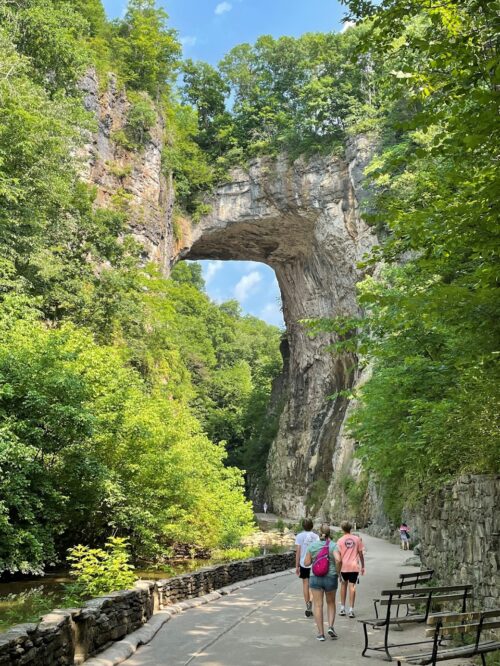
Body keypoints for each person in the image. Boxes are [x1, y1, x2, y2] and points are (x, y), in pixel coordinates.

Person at [304, 523, 341, 641]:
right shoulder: (333, 546)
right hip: (330, 578)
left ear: (319, 533)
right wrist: (338, 572)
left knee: (318, 605)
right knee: (331, 603)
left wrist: (315, 559)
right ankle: (330, 626)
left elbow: (306, 563)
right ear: (330, 533)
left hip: (315, 578)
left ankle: (321, 633)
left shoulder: (312, 546)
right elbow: (339, 559)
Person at [337, 520, 365, 619]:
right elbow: (361, 554)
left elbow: (338, 557)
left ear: (342, 529)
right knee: (352, 587)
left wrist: (338, 571)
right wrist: (363, 566)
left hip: (344, 567)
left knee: (343, 586)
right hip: (354, 567)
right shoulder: (357, 539)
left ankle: (342, 608)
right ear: (350, 528)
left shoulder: (340, 540)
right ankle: (351, 610)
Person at [295, 518, 319, 618]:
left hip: (303, 563)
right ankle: (311, 601)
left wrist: (297, 565)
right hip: (314, 563)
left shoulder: (299, 536)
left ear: (302, 526)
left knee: (305, 583)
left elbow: (298, 552)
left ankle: (307, 605)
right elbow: (318, 550)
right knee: (312, 585)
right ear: (312, 526)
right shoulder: (316, 536)